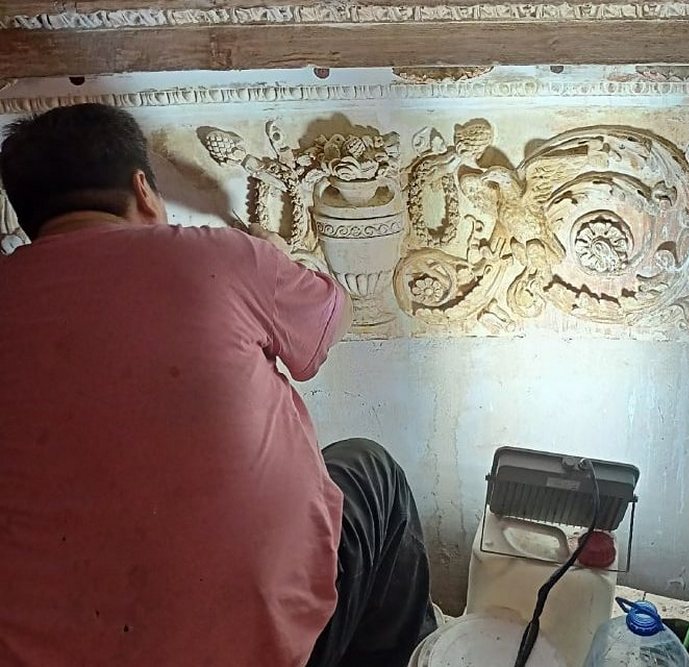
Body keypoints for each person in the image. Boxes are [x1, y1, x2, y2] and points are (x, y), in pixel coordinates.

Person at [0, 103, 436, 666]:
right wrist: (274, 258)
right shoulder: (220, 256)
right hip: (256, 643)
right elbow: (329, 325)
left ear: (27, 217)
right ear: (143, 190)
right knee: (372, 471)